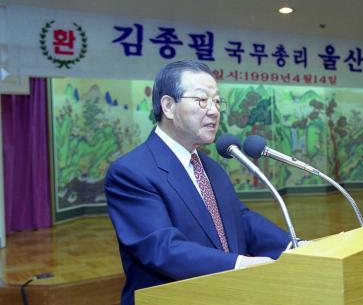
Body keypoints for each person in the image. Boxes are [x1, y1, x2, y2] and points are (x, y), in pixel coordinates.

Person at [105, 60, 291, 305]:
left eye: (216, 101)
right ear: (169, 106)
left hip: (226, 295)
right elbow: (161, 248)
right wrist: (240, 264)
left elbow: (241, 221)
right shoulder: (131, 172)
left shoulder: (210, 167)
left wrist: (295, 247)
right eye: (202, 100)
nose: (214, 111)